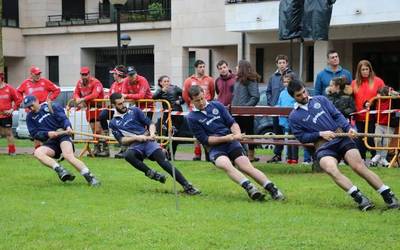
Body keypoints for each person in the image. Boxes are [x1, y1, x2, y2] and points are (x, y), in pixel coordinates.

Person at [287, 79, 399, 211]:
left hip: (341, 139)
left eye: (304, 92)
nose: (304, 96)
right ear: (293, 97)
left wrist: (348, 128)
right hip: (323, 147)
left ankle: (387, 195)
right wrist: (320, 134)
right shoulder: (294, 116)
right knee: (330, 168)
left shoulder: (321, 100)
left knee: (358, 166)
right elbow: (302, 137)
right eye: (299, 95)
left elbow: (337, 115)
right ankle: (360, 198)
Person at [187, 85, 284, 201]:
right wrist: (226, 138)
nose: (201, 102)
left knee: (246, 167)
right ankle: (250, 188)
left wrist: (237, 134)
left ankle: (273, 189)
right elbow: (206, 140)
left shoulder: (217, 105)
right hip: (215, 148)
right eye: (197, 101)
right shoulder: (191, 118)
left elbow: (232, 123)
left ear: (204, 94)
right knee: (225, 164)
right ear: (191, 101)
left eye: (202, 98)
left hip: (231, 142)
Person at [109, 93, 200, 195]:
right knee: (128, 155)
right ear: (113, 105)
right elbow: (122, 140)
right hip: (134, 144)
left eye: (123, 102)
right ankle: (151, 173)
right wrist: (136, 137)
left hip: (148, 141)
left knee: (164, 162)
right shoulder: (113, 123)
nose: (123, 105)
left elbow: (150, 124)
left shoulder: (135, 111)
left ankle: (187, 186)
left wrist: (152, 133)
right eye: (120, 104)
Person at [24, 95, 100, 186]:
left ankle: (90, 177)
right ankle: (61, 170)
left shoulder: (51, 106)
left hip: (63, 136)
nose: (30, 108)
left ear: (36, 101)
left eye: (31, 105)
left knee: (68, 156)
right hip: (50, 141)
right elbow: (34, 134)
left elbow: (63, 118)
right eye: (28, 107)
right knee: (38, 153)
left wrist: (68, 127)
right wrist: (47, 134)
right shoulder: (29, 118)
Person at [17, 66, 61, 150]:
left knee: (45, 127)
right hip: (32, 110)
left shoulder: (45, 81)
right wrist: (23, 102)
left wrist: (50, 99)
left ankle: (49, 147)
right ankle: (37, 148)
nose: (38, 75)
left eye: (39, 74)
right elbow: (18, 92)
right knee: (36, 129)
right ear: (31, 74)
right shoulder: (26, 83)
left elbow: (57, 90)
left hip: (43, 108)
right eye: (36, 74)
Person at [351, 60, 385, 161]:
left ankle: (376, 158)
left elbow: (385, 94)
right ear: (359, 71)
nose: (365, 71)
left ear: (370, 70)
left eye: (367, 69)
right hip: (359, 117)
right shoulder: (354, 83)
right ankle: (361, 159)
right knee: (360, 140)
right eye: (363, 69)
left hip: (373, 116)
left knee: (372, 138)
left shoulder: (378, 81)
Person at [182, 59, 215, 161]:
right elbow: (185, 95)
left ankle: (209, 153)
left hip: (206, 108)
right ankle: (197, 154)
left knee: (208, 130)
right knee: (196, 132)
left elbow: (212, 93)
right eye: (200, 67)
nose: (202, 69)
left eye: (203, 66)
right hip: (194, 109)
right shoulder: (189, 80)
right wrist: (192, 104)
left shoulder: (209, 79)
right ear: (196, 68)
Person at [266, 55, 296, 163]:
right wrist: (271, 103)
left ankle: (291, 157)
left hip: (290, 111)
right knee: (277, 133)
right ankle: (277, 154)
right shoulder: (272, 77)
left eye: (283, 62)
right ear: (277, 64)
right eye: (280, 62)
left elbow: (298, 89)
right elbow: (268, 91)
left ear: (287, 63)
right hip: (276, 109)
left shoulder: (292, 75)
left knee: (291, 133)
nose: (282, 64)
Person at [73, 66, 107, 157]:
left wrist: (82, 99)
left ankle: (105, 149)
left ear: (89, 74)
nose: (84, 76)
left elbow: (95, 94)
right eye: (82, 75)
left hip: (99, 107)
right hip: (89, 108)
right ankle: (97, 148)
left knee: (98, 129)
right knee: (93, 129)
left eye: (86, 74)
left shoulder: (96, 82)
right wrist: (77, 99)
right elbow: (76, 93)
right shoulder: (79, 83)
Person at [231, 59, 260, 162]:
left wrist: (245, 108)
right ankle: (240, 155)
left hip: (246, 114)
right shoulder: (237, 80)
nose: (236, 68)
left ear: (242, 68)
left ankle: (251, 156)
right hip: (236, 113)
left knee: (249, 134)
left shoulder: (251, 80)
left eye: (238, 66)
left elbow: (255, 97)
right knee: (237, 135)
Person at [99, 65, 127, 158]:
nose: (113, 75)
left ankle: (124, 149)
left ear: (119, 74)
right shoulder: (114, 84)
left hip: (123, 110)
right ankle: (106, 137)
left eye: (114, 74)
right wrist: (107, 97)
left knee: (121, 127)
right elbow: (110, 94)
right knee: (102, 115)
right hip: (113, 109)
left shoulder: (126, 83)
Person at [276, 72, 298, 164]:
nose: (286, 83)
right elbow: (279, 103)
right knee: (287, 138)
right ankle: (289, 158)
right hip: (284, 119)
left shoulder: (295, 92)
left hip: (294, 119)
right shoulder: (282, 93)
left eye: (288, 81)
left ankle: (294, 158)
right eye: (284, 82)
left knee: (293, 138)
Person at [369, 86, 393, 167]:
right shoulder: (376, 100)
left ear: (386, 94)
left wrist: (392, 92)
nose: (379, 96)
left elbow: (397, 95)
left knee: (386, 142)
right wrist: (366, 103)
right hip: (379, 123)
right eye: (378, 94)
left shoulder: (392, 100)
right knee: (377, 139)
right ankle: (378, 155)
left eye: (381, 94)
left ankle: (382, 158)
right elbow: (368, 104)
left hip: (390, 125)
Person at [0, 72, 22, 155]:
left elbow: (18, 100)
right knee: (2, 133)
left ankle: (12, 151)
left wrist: (12, 110)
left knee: (8, 133)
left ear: (1, 78)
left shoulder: (9, 88)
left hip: (6, 116)